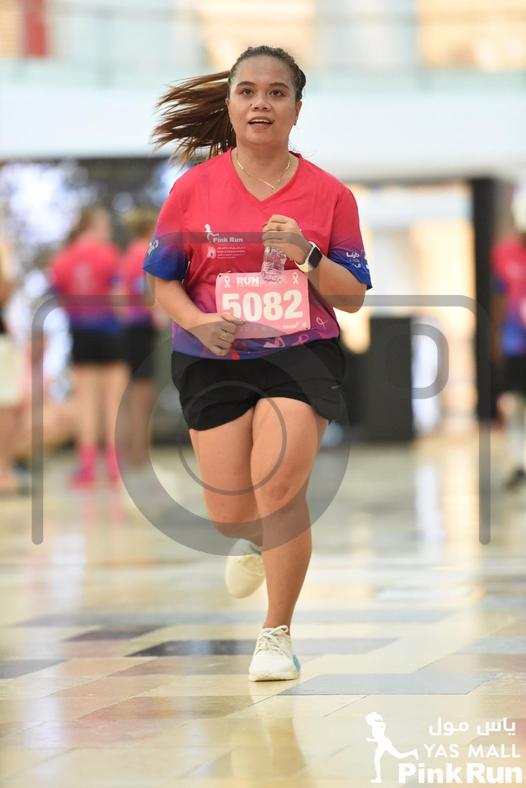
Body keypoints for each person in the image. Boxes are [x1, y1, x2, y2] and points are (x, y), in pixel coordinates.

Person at [144, 45, 372, 681]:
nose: (261, 103)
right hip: (212, 356)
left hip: (300, 355)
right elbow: (162, 282)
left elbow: (352, 297)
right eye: (247, 91)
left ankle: (276, 634)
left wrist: (306, 254)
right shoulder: (192, 189)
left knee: (280, 487)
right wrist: (198, 321)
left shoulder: (329, 194)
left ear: (297, 109)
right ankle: (250, 539)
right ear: (230, 105)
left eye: (276, 93)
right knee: (231, 515)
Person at [49, 207, 128, 487]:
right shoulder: (108, 254)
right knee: (114, 402)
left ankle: (88, 468)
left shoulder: (61, 259)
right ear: (92, 226)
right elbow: (119, 299)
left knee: (86, 403)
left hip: (81, 334)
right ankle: (115, 467)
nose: (108, 230)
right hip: (110, 334)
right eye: (104, 225)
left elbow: (60, 301)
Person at [120, 209, 162, 466]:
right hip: (140, 329)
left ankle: (133, 454)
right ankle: (139, 456)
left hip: (130, 328)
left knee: (133, 395)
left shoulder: (128, 253)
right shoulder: (144, 252)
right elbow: (145, 291)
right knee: (142, 396)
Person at [491, 188, 526, 490]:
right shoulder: (504, 255)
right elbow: (499, 299)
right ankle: (517, 462)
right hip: (515, 345)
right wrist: (495, 339)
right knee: (512, 405)